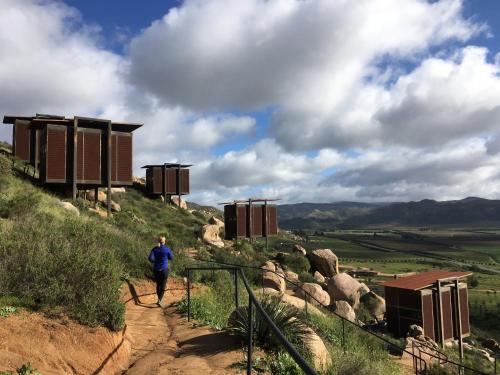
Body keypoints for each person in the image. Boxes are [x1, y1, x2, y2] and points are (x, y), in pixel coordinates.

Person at [148, 236, 174, 306]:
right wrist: (166, 257)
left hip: (156, 269)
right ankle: (160, 300)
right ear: (164, 241)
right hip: (164, 270)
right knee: (163, 285)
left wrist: (156, 260)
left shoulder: (154, 249)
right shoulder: (167, 249)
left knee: (158, 285)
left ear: (158, 241)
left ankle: (159, 300)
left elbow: (150, 259)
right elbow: (171, 258)